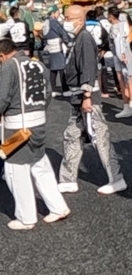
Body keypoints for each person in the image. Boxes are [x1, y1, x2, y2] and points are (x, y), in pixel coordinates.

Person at [0, 38, 71, 229]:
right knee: (40, 165)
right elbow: (47, 94)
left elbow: (2, 98)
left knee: (15, 170)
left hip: (17, 126)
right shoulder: (37, 64)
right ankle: (58, 207)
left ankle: (26, 217)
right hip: (38, 121)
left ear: (2, 55)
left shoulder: (8, 67)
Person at [58, 4, 126, 195]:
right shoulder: (76, 38)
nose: (65, 21)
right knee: (72, 135)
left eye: (68, 18)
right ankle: (68, 179)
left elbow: (89, 68)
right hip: (77, 96)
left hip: (87, 97)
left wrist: (87, 96)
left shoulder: (85, 39)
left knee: (99, 137)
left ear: (79, 20)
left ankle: (116, 178)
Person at [40, 6, 68, 96]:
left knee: (53, 69)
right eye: (57, 12)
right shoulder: (53, 22)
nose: (58, 14)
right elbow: (61, 32)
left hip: (50, 47)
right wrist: (67, 41)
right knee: (62, 68)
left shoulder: (46, 22)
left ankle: (53, 88)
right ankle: (65, 89)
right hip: (57, 47)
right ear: (53, 13)